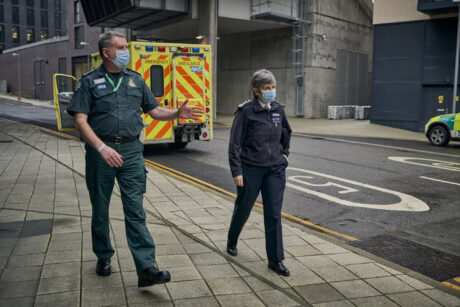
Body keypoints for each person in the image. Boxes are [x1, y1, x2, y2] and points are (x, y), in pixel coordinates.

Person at [67, 31, 203, 287]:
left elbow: (154, 110)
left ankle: (146, 268)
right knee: (100, 209)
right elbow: (80, 120)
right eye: (120, 47)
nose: (125, 51)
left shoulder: (136, 80)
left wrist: (177, 113)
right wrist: (101, 148)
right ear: (107, 52)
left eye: (125, 46)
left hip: (131, 152)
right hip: (101, 153)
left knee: (136, 211)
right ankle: (104, 255)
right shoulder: (89, 82)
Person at [227, 69, 292, 276]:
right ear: (256, 91)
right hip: (250, 169)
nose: (272, 91)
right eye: (267, 88)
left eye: (273, 87)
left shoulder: (278, 110)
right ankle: (232, 239)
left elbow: (286, 132)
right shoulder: (245, 111)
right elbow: (234, 144)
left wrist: (285, 154)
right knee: (244, 207)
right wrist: (237, 171)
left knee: (273, 214)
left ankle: (275, 259)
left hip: (274, 169)